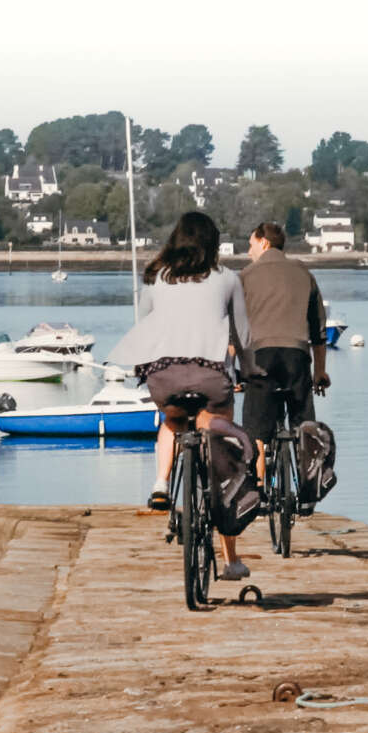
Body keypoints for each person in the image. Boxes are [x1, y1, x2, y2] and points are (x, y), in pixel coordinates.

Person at [105, 211, 256, 579]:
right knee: (220, 441)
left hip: (165, 376)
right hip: (210, 376)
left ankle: (160, 483)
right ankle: (231, 561)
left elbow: (143, 328)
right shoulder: (228, 278)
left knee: (172, 420)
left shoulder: (157, 277)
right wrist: (249, 372)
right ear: (213, 242)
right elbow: (244, 336)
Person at [237, 222, 328, 471]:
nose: (248, 252)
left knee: (255, 431)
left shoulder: (245, 276)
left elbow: (235, 331)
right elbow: (319, 330)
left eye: (251, 245)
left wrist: (231, 371)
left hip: (261, 357)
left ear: (264, 243)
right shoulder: (304, 273)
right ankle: (309, 482)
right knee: (303, 424)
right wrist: (320, 372)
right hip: (296, 357)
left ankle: (257, 489)